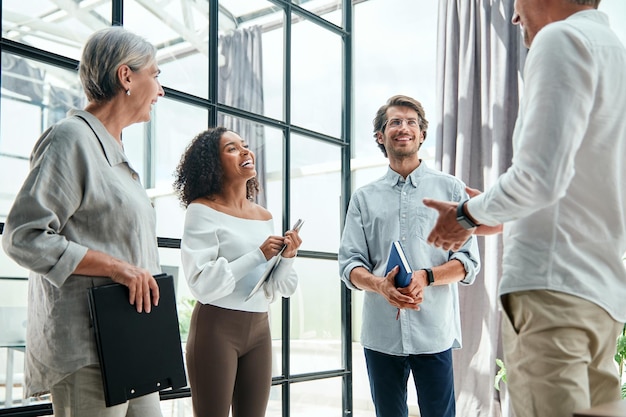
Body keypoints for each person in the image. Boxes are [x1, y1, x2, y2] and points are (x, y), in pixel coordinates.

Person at [423, 1, 626, 416]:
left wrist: (465, 215)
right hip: (601, 299)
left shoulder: (561, 38)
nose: (515, 17)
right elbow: (582, 189)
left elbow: (539, 177)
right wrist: (500, 217)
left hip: (553, 297)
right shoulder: (616, 55)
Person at [1, 27, 166, 416]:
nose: (161, 90)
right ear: (126, 76)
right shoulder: (69, 139)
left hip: (133, 340)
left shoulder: (115, 151)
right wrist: (117, 268)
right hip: (88, 351)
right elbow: (23, 236)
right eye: (155, 75)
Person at [338, 95, 480, 417]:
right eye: (395, 122)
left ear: (422, 134)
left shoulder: (451, 190)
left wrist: (427, 276)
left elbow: (468, 261)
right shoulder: (363, 199)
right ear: (380, 136)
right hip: (381, 334)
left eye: (411, 122)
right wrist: (379, 284)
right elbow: (349, 264)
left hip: (434, 332)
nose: (404, 128)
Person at [173, 126, 302, 417]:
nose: (245, 151)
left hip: (260, 328)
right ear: (213, 164)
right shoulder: (201, 210)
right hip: (216, 328)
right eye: (231, 148)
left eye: (244, 145)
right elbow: (201, 283)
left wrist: (288, 257)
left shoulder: (264, 216)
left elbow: (277, 286)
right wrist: (257, 255)